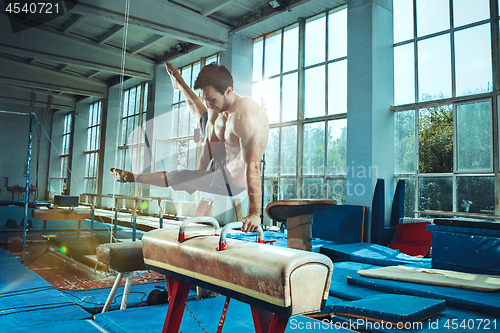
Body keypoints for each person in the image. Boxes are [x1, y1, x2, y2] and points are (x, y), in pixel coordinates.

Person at [111, 61, 269, 233]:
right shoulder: (217, 107)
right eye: (206, 99)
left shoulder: (248, 116)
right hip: (220, 161)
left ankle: (133, 177)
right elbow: (210, 141)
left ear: (228, 91)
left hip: (231, 181)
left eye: (212, 99)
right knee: (204, 117)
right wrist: (200, 172)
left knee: (177, 176)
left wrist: (254, 213)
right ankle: (180, 83)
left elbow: (252, 166)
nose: (209, 104)